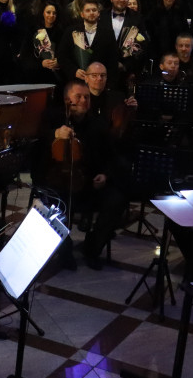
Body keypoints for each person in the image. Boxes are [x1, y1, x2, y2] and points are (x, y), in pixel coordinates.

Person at [35, 79, 128, 269]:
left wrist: (105, 175)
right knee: (53, 204)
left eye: (87, 97)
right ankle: (63, 248)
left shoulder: (98, 125)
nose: (84, 100)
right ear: (66, 99)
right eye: (79, 96)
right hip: (59, 184)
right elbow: (36, 139)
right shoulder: (52, 118)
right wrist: (55, 134)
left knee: (117, 199)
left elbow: (113, 156)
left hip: (89, 185)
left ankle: (92, 247)